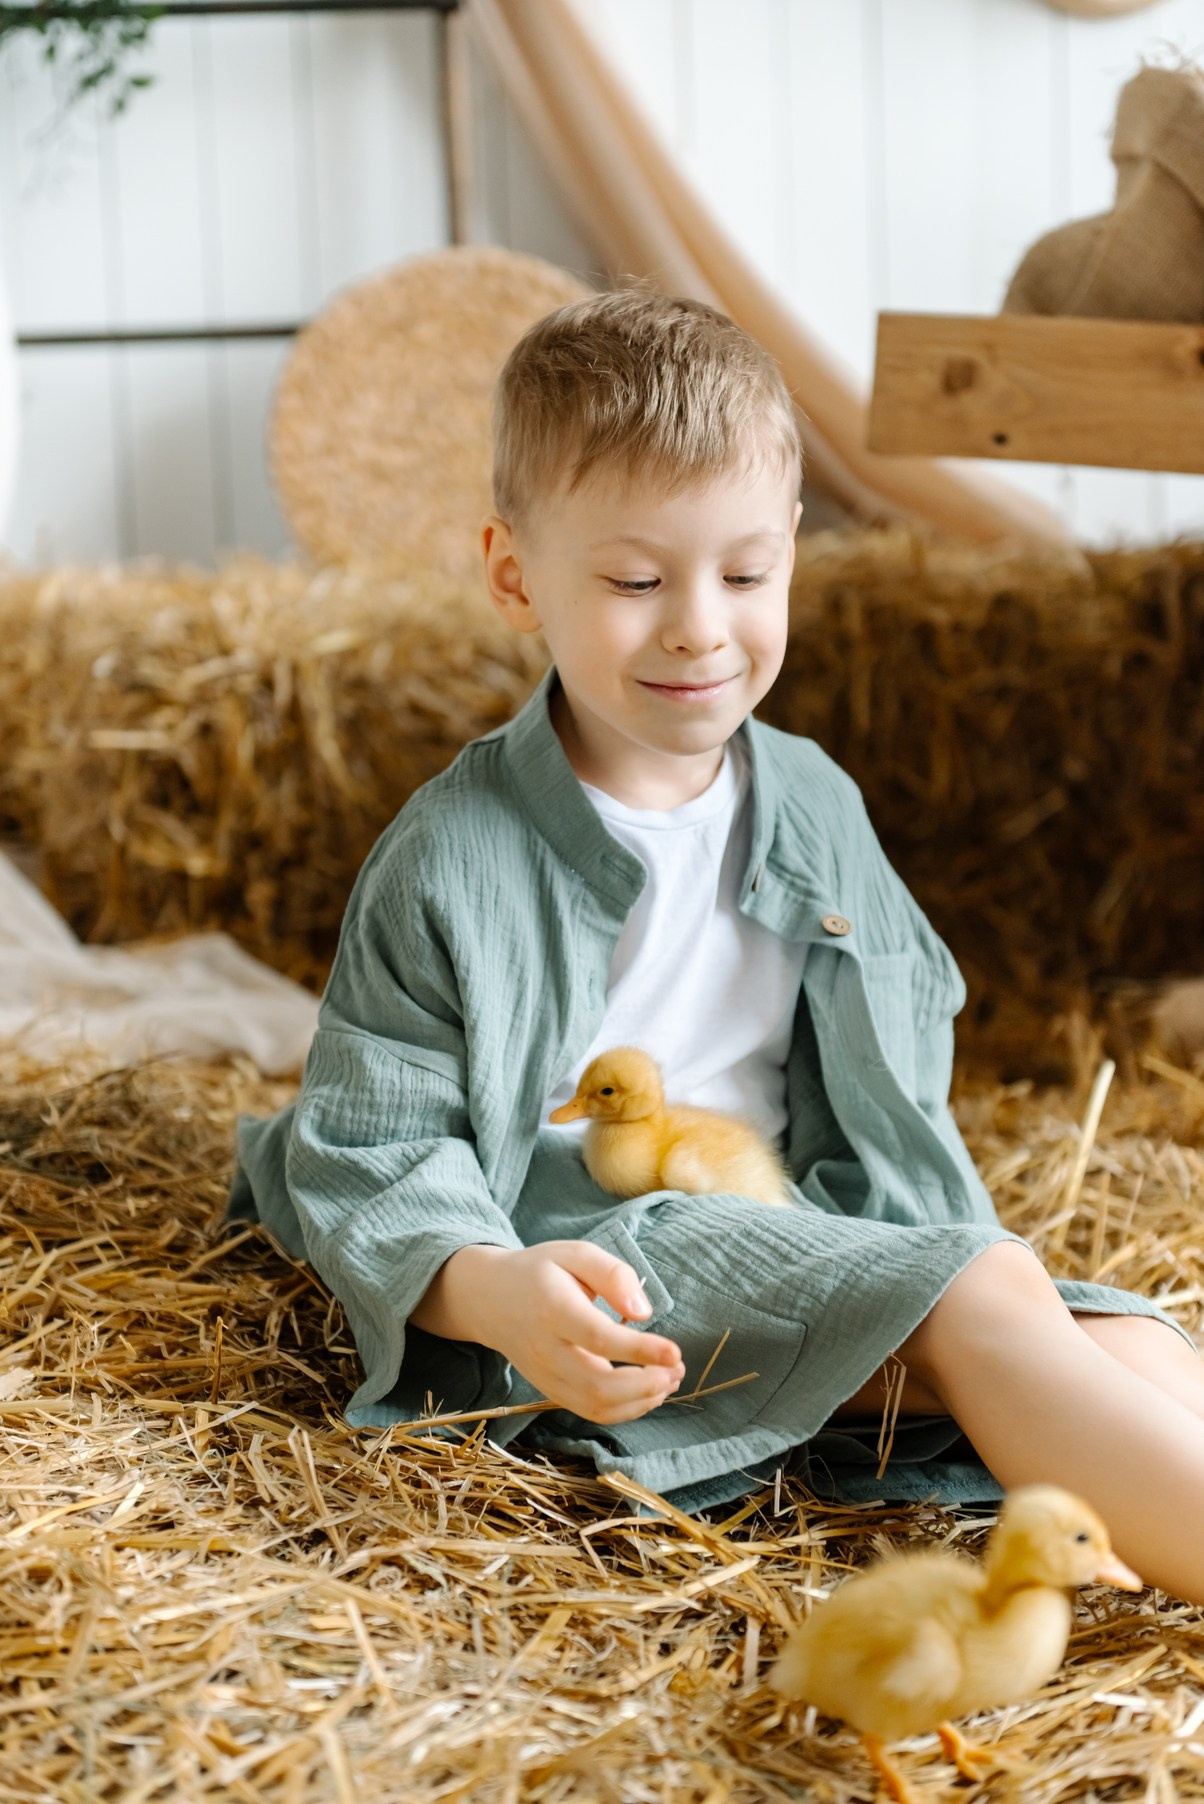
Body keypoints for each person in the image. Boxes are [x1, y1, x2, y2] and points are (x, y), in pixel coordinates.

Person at [230, 286, 1204, 1602]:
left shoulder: (809, 801)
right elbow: (374, 1139)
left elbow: (896, 1048)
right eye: (636, 580)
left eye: (746, 574)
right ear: (515, 573)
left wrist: (909, 1226)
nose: (700, 624)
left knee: (1118, 1336)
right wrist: (494, 1289)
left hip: (795, 1228)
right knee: (985, 1297)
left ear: (793, 547)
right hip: (610, 1266)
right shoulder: (451, 855)